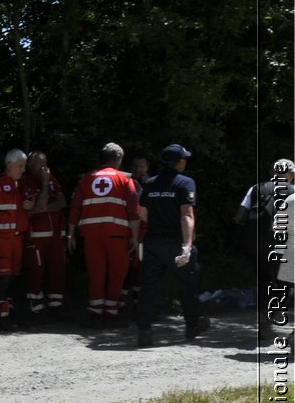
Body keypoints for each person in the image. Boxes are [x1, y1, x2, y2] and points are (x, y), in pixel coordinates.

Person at [136, 143, 208, 348]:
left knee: (148, 286)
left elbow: (142, 215)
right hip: (175, 242)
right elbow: (186, 214)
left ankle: (144, 331)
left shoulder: (150, 183)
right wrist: (187, 245)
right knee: (188, 284)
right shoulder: (185, 183)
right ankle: (192, 325)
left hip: (152, 242)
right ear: (180, 162)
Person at [67, 143, 141, 328]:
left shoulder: (86, 179)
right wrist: (134, 236)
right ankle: (111, 314)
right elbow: (133, 210)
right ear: (118, 160)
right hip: (117, 234)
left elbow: (75, 207)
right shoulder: (125, 180)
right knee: (117, 273)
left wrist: (70, 234)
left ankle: (95, 313)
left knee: (96, 272)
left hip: (91, 234)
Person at [235, 158, 293, 344]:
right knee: (285, 281)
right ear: (290, 175)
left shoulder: (256, 189)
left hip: (256, 244)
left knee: (263, 280)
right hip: (282, 244)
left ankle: (264, 319)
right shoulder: (294, 191)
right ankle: (273, 313)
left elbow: (240, 216)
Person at [0, 149, 33, 329]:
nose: (23, 170)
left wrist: (29, 205)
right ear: (9, 165)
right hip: (2, 240)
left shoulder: (21, 186)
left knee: (14, 276)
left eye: (24, 166)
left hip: (18, 240)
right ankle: (0, 316)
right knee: (3, 276)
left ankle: (8, 312)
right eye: (20, 166)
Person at [23, 151, 68, 316]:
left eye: (45, 163)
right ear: (29, 165)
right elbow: (39, 202)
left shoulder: (51, 179)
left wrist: (43, 209)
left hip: (56, 235)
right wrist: (44, 184)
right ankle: (35, 308)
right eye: (38, 163)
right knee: (36, 270)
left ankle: (56, 307)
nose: (43, 167)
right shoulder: (26, 182)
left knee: (57, 269)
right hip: (37, 235)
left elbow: (62, 202)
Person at [124, 155, 152, 312]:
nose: (138, 170)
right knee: (127, 268)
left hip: (145, 233)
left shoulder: (152, 184)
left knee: (141, 269)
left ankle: (138, 306)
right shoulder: (126, 183)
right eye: (135, 166)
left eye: (142, 167)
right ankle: (119, 304)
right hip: (129, 231)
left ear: (147, 168)